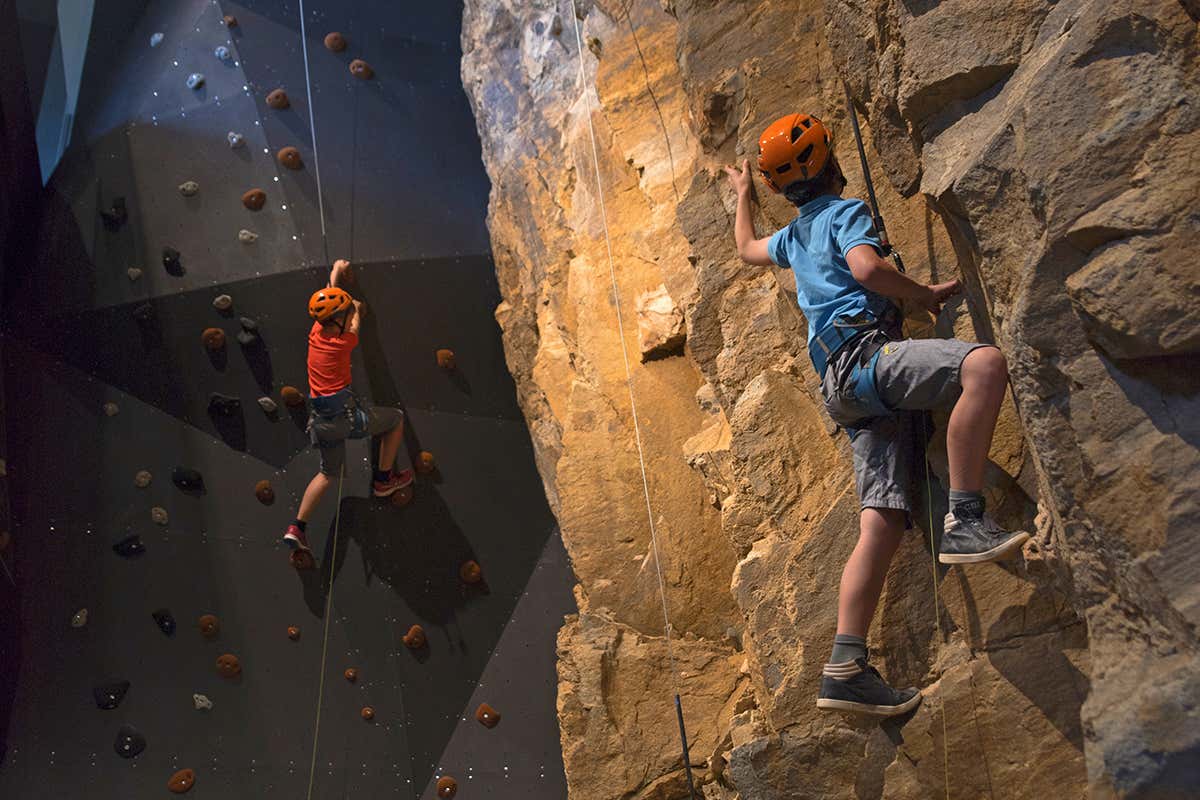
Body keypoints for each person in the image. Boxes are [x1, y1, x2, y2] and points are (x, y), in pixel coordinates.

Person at [724, 113, 1029, 717]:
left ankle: (844, 667)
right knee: (984, 366)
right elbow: (866, 269)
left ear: (782, 188)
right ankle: (966, 518)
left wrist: (741, 196)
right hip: (868, 358)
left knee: (882, 522)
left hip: (841, 388)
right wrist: (921, 294)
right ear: (831, 163)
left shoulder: (792, 237)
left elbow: (745, 249)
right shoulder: (846, 213)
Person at [282, 259, 413, 560]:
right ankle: (383, 481)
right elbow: (353, 317)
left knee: (327, 474)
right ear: (338, 321)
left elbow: (329, 297)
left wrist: (336, 273)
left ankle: (297, 527)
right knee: (395, 420)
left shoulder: (317, 333)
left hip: (321, 423)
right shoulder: (345, 340)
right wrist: (353, 304)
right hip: (346, 420)